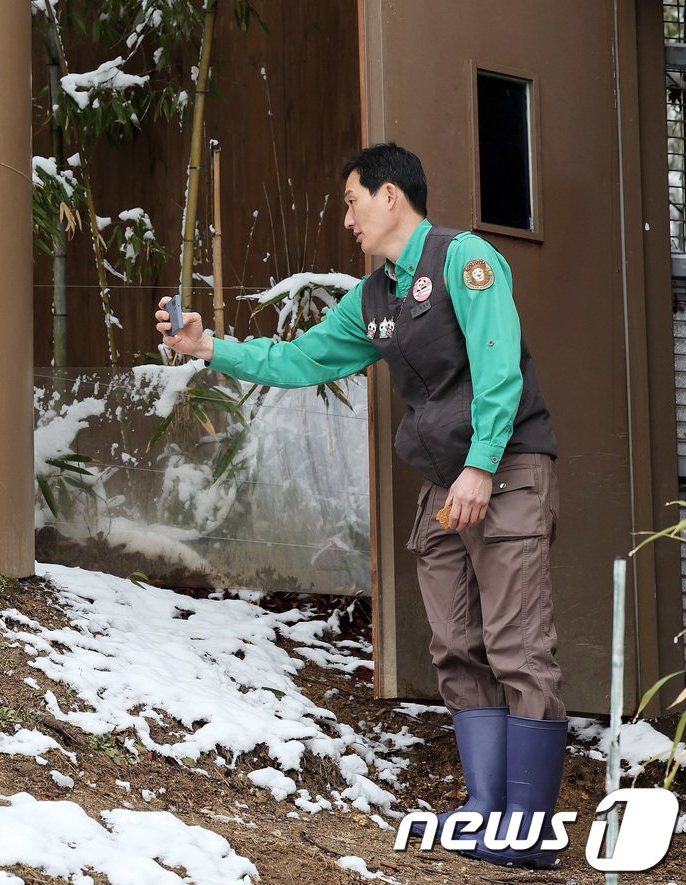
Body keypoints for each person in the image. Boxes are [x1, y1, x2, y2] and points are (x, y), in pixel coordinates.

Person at [157, 143, 565, 870]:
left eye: (351, 201)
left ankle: (528, 825)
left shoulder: (464, 260)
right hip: (447, 485)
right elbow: (301, 358)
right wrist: (210, 347)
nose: (345, 218)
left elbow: (499, 365)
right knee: (455, 641)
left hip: (500, 471)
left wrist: (480, 464)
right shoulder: (373, 298)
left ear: (390, 198)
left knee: (517, 645)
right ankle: (486, 807)